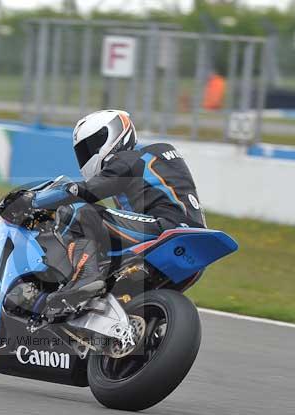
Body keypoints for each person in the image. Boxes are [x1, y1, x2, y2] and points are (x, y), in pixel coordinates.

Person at [20, 109, 207, 309]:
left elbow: (87, 191)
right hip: (192, 250)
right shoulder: (150, 163)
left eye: (91, 146)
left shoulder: (129, 158)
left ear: (114, 134)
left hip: (163, 230)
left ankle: (86, 276)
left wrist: (35, 200)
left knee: (80, 211)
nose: (87, 155)